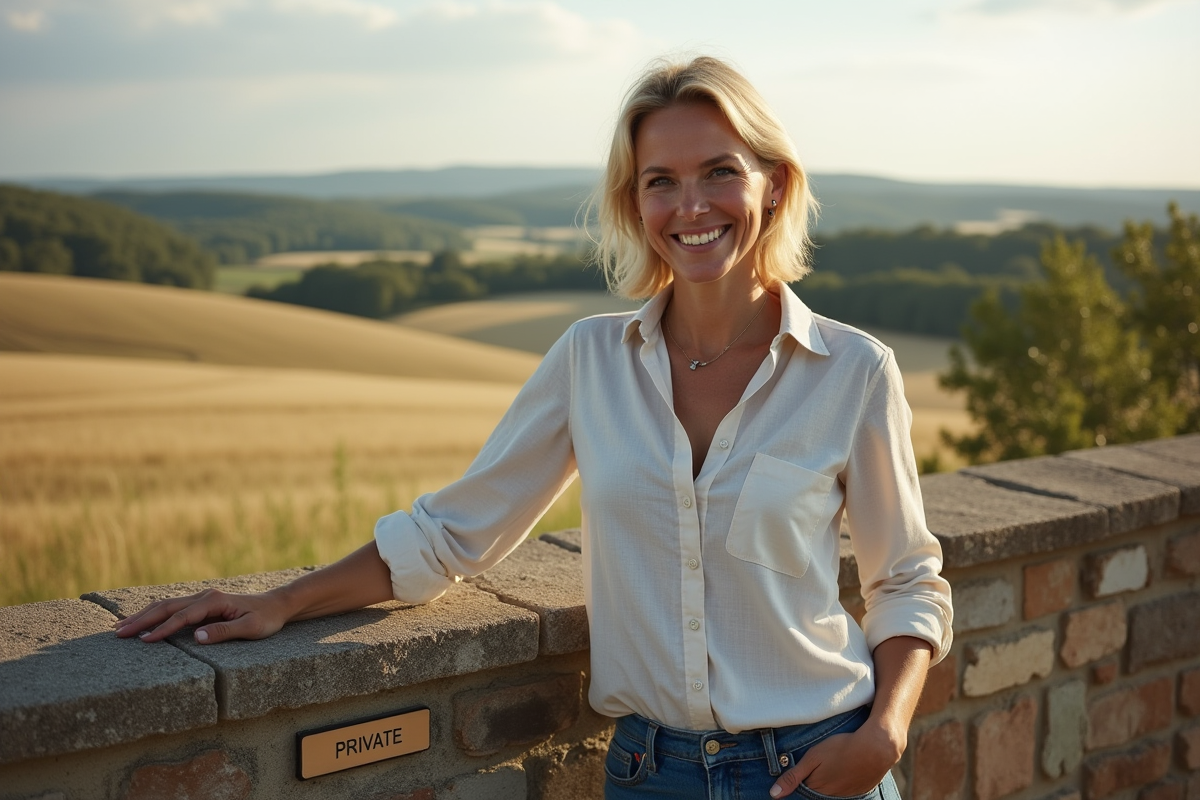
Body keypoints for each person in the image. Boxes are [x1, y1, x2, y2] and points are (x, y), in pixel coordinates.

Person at [116, 56, 953, 799]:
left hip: (815, 766)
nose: (690, 205)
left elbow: (907, 580)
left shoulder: (852, 372)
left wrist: (884, 734)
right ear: (635, 202)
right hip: (650, 774)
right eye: (660, 181)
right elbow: (452, 534)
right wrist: (281, 602)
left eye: (719, 172)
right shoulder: (590, 361)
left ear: (773, 183)